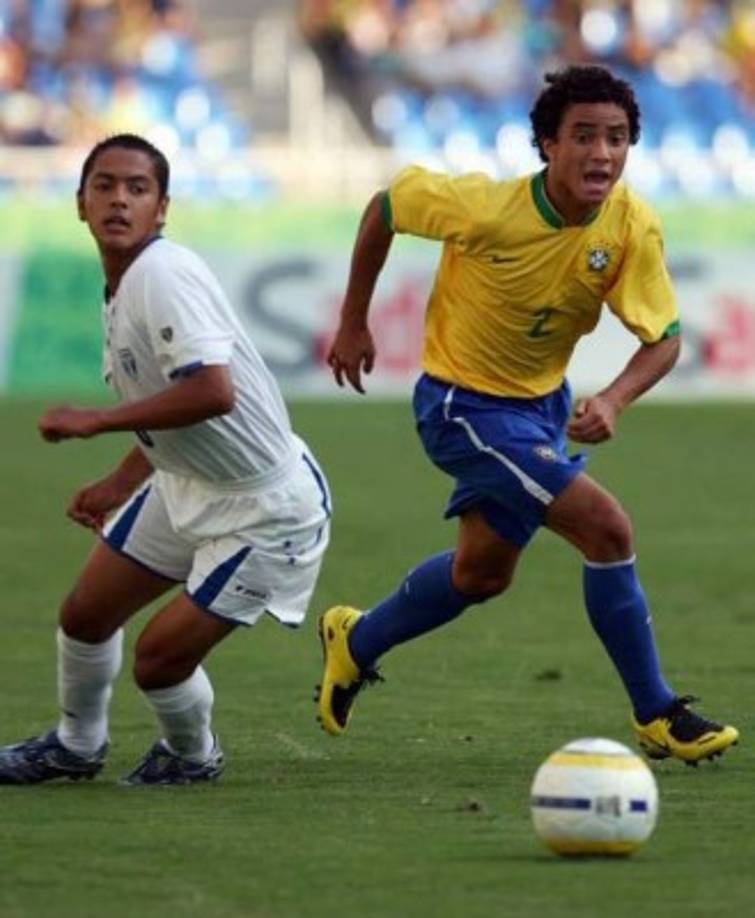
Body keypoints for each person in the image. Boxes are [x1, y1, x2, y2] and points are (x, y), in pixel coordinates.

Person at [315, 65, 739, 766]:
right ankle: (656, 712)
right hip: (461, 406)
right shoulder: (484, 208)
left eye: (616, 138)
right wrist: (353, 319)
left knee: (480, 574)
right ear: (545, 144)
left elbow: (663, 339)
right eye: (582, 136)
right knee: (606, 528)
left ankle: (354, 641)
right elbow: (385, 207)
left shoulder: (629, 222)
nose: (601, 153)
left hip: (539, 406)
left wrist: (612, 398)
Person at [0, 134, 331, 786]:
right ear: (79, 203)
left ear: (161, 209)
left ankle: (191, 754)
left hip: (265, 510)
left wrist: (95, 421)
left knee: (157, 662)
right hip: (188, 483)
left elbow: (212, 390)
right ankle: (75, 745)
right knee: (85, 617)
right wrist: (116, 482)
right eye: (105, 185)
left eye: (137, 188)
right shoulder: (123, 285)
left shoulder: (161, 274)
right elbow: (169, 406)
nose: (119, 199)